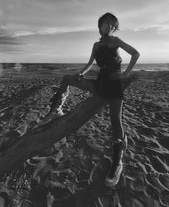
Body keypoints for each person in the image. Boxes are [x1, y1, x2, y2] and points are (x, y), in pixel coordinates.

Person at [48, 12, 140, 187]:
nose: (110, 27)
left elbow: (135, 54)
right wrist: (81, 74)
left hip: (114, 87)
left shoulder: (116, 41)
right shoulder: (96, 45)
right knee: (68, 78)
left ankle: (117, 162)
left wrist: (126, 74)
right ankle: (55, 110)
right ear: (100, 25)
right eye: (107, 23)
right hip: (99, 84)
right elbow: (90, 63)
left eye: (113, 25)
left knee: (115, 122)